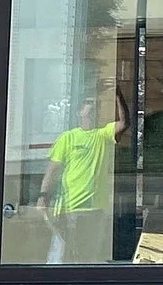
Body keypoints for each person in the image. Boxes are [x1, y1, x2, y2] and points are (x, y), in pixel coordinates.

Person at [40, 96, 123, 263]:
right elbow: (52, 170)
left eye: (95, 104)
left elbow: (124, 123)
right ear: (79, 111)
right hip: (70, 207)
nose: (93, 107)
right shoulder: (68, 138)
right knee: (63, 251)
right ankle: (55, 284)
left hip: (95, 208)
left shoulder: (103, 135)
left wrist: (118, 95)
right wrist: (43, 196)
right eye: (88, 103)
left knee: (88, 255)